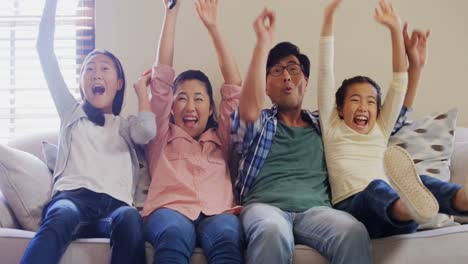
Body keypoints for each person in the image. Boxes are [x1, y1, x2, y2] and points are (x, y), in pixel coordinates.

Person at [230, 5, 372, 264]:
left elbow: (374, 126)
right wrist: (262, 44)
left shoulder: (325, 125)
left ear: (305, 83)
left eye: (293, 69)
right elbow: (247, 114)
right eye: (276, 70)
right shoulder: (262, 123)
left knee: (353, 231)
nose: (286, 76)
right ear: (266, 87)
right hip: (265, 208)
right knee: (272, 231)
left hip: (317, 211)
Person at [319, 0, 468, 239]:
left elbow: (399, 81)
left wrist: (395, 31)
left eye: (370, 102)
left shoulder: (381, 128)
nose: (363, 107)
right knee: (377, 188)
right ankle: (409, 206)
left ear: (378, 111)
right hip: (353, 209)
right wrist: (328, 17)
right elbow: (326, 69)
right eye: (355, 100)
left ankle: (460, 199)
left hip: (396, 216)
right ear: (339, 108)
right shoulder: (332, 127)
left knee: (420, 181)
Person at [21, 0, 156, 263]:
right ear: (82, 85)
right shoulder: (72, 113)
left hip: (115, 207)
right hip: (73, 200)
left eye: (104, 68)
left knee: (130, 219)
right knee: (60, 215)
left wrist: (142, 92)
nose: (95, 74)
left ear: (118, 84)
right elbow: (44, 51)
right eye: (89, 69)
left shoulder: (126, 127)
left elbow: (148, 130)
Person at [142, 0, 243, 263]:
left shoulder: (222, 139)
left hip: (218, 213)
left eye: (199, 98)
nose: (190, 106)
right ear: (172, 107)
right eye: (182, 98)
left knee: (228, 237)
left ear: (211, 109)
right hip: (169, 211)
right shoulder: (160, 136)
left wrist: (213, 27)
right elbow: (161, 79)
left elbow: (235, 87)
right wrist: (171, 13)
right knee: (174, 234)